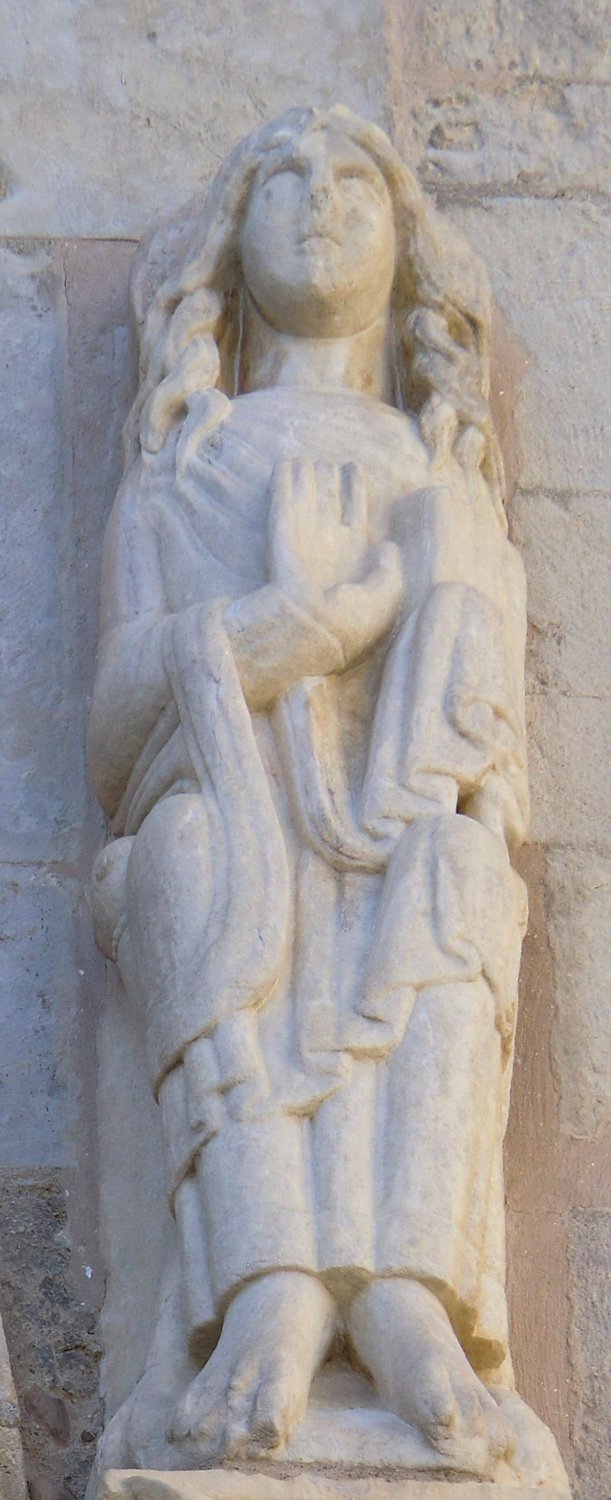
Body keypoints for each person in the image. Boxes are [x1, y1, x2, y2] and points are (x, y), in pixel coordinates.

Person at [88, 106, 534, 1478]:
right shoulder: (180, 473)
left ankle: (411, 1300)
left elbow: (490, 766)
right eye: (283, 178)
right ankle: (269, 1292)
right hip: (236, 813)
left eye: (354, 182)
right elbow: (117, 731)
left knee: (460, 875)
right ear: (232, 242)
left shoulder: (440, 480)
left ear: (407, 250)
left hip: (393, 833)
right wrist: (300, 630)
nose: (320, 200)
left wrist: (418, 601)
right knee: (184, 852)